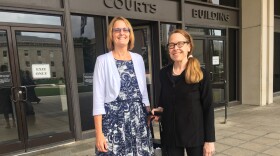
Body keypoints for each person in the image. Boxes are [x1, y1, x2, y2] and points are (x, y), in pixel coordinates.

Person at [92, 16, 154, 155]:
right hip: (114, 122)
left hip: (138, 120)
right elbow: (98, 100)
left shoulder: (138, 59)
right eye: (117, 30)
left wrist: (148, 112)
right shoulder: (102, 61)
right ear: (111, 34)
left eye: (125, 29)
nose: (122, 33)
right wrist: (99, 134)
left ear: (130, 34)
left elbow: (143, 92)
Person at [151, 29, 215, 156]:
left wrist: (209, 140)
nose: (175, 48)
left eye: (180, 44)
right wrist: (159, 109)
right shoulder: (164, 73)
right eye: (171, 45)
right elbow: (164, 98)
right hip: (171, 135)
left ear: (189, 46)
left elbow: (208, 108)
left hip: (195, 135)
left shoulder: (201, 73)